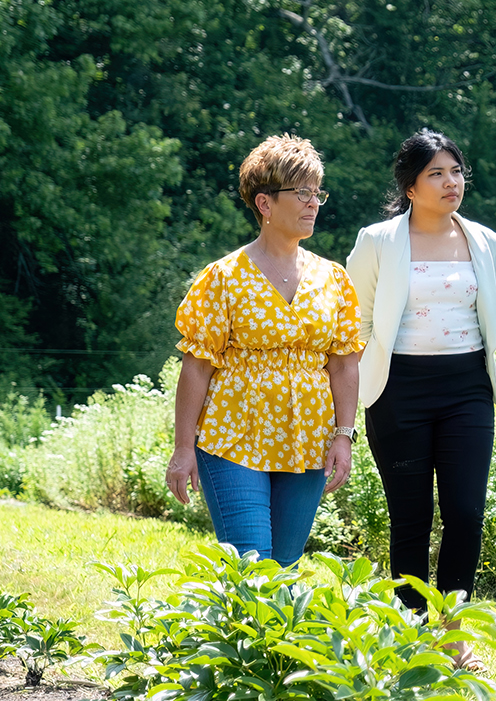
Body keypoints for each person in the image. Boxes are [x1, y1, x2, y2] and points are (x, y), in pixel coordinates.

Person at [166, 135, 364, 567]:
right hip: (233, 438)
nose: (314, 203)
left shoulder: (333, 278)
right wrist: (183, 449)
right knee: (252, 565)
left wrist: (344, 437)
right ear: (265, 203)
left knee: (284, 570)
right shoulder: (223, 278)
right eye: (302, 193)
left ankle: (236, 636)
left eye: (318, 193)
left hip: (307, 442)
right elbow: (196, 369)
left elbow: (345, 364)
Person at [345, 129, 496, 646]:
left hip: (467, 389)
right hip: (399, 391)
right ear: (410, 187)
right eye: (435, 173)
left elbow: (488, 313)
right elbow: (357, 322)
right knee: (410, 518)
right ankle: (409, 635)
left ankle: (454, 636)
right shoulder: (378, 241)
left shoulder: (486, 241)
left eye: (456, 171)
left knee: (465, 511)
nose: (450, 182)